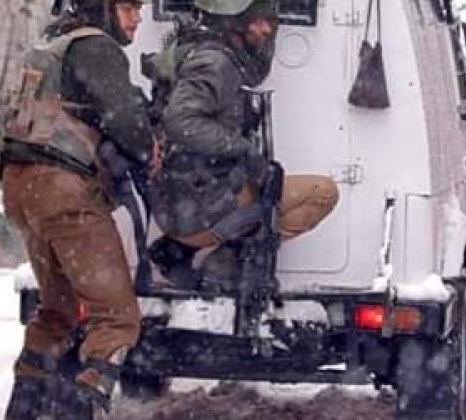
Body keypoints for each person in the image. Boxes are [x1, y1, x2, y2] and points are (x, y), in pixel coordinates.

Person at [0, 0, 154, 417]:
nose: (137, 17)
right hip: (63, 190)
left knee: (59, 312)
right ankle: (79, 409)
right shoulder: (96, 46)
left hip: (23, 188)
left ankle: (25, 408)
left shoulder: (54, 44)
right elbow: (126, 122)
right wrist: (150, 148)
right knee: (117, 319)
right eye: (128, 7)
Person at [145, 0, 339, 290]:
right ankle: (226, 263)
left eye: (270, 21)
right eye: (257, 21)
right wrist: (243, 150)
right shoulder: (216, 63)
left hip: (183, 200)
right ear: (233, 23)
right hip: (203, 204)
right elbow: (181, 121)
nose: (266, 29)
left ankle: (177, 252)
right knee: (323, 192)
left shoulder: (197, 50)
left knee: (268, 186)